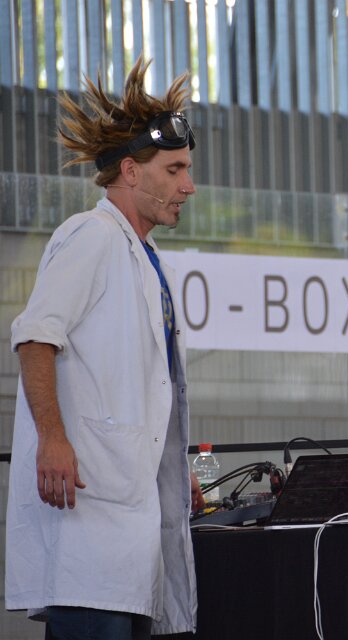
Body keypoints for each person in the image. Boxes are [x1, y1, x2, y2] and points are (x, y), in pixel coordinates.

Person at [4, 57, 204, 639]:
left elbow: (148, 388)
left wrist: (174, 468)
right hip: (89, 519)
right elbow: (35, 336)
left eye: (187, 170)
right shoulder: (90, 235)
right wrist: (52, 438)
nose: (188, 186)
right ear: (130, 172)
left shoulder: (147, 258)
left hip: (129, 521)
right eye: (174, 170)